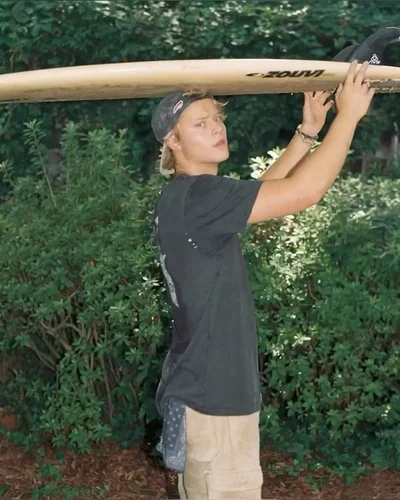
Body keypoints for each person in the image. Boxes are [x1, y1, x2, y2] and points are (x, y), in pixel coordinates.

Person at [151, 61, 375, 499]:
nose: (216, 128)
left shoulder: (185, 197)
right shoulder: (201, 198)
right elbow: (304, 192)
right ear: (173, 142)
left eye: (217, 118)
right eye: (200, 124)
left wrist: (308, 132)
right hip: (216, 404)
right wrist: (348, 117)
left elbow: (263, 193)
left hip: (199, 392)